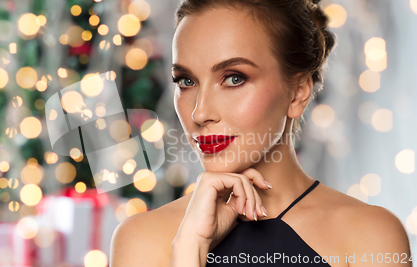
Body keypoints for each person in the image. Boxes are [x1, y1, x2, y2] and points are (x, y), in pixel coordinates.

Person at [110, 0, 412, 266]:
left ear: (297, 94)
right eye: (186, 81)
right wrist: (189, 249)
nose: (200, 113)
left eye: (234, 78)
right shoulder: (141, 239)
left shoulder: (371, 235)